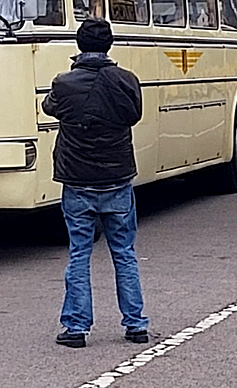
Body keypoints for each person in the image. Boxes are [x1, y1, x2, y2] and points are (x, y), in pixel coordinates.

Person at [43, 17, 149, 349]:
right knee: (124, 253)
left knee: (79, 254)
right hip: (117, 178)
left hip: (77, 180)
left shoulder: (64, 83)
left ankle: (76, 327)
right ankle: (135, 325)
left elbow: (49, 108)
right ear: (109, 44)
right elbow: (134, 115)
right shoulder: (126, 80)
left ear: (78, 45)